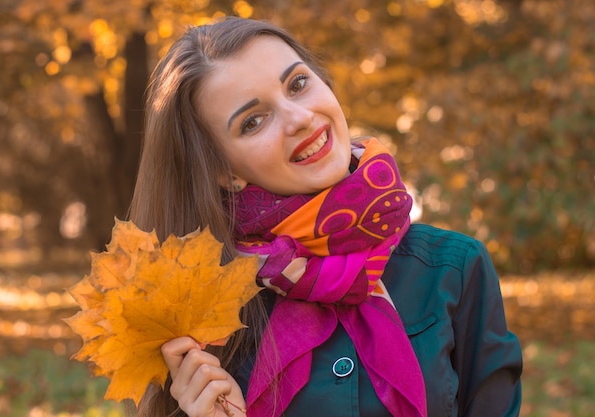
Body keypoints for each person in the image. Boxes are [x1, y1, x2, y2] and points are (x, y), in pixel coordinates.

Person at [127, 16, 522, 417]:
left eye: (297, 84)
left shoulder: (454, 268)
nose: (299, 117)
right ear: (224, 172)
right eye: (253, 121)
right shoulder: (200, 310)